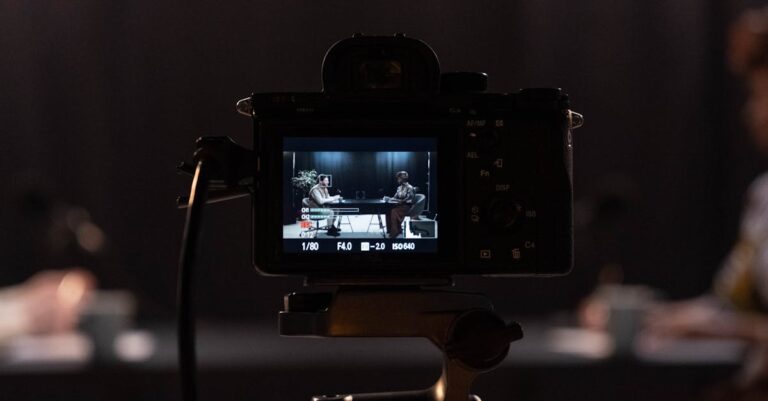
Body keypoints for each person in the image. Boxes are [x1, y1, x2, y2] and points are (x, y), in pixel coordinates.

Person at [643, 7, 768, 399]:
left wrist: (718, 329)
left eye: (762, 94)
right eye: (754, 94)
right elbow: (730, 304)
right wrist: (649, 317)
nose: (754, 112)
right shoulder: (763, 197)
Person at [385, 171, 416, 239]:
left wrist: (401, 201)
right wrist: (388, 198)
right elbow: (395, 197)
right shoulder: (399, 188)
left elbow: (411, 199)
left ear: (403, 178)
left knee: (394, 211)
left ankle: (395, 232)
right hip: (399, 205)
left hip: (407, 206)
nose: (397, 180)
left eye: (399, 178)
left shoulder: (410, 187)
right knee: (388, 210)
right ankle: (390, 230)